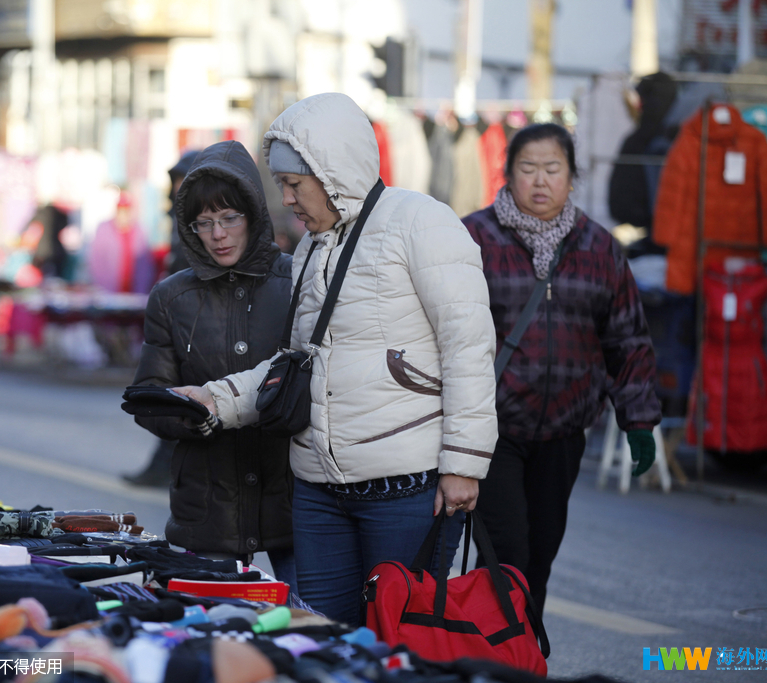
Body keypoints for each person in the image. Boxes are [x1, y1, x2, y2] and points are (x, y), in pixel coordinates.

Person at [173, 93, 498, 625]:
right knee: (322, 639)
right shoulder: (311, 247)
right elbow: (297, 362)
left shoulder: (422, 222)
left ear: (331, 171)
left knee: (400, 640)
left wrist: (463, 463)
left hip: (407, 490)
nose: (287, 198)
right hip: (320, 493)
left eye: (294, 184)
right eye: (281, 183)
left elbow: (468, 348)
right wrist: (217, 399)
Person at [460, 123, 662, 619]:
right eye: (528, 169)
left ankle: (523, 655)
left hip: (565, 429)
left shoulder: (599, 247)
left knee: (541, 556)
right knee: (506, 551)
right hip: (493, 429)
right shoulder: (472, 237)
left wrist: (638, 420)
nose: (540, 181)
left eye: (553, 169)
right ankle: (498, 656)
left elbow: (627, 337)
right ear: (507, 174)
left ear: (572, 177)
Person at [128, 140, 296, 590]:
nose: (217, 234)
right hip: (207, 503)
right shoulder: (171, 297)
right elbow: (150, 396)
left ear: (254, 215)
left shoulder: (298, 281)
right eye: (204, 223)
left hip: (292, 497)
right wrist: (195, 417)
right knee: (216, 632)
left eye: (229, 219)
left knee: (310, 626)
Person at [124, 149, 201, 488]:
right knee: (170, 396)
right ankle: (163, 466)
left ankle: (166, 467)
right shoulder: (178, 214)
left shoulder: (201, 220)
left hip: (193, 320)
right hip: (177, 316)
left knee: (182, 398)